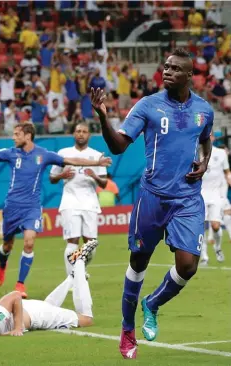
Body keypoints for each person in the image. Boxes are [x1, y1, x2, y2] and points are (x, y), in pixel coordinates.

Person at [90, 48, 214, 359]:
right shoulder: (147, 106)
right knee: (138, 262)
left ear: (189, 76)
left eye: (175, 68)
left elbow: (205, 137)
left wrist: (206, 161)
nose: (167, 71)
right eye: (166, 67)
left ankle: (152, 303)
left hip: (187, 199)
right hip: (152, 198)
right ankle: (126, 328)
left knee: (188, 266)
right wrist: (104, 119)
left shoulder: (204, 109)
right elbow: (118, 146)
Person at [0, 123, 111, 298]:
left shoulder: (43, 154)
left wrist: (96, 162)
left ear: (27, 135)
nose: (13, 137)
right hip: (12, 206)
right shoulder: (11, 153)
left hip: (32, 207)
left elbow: (73, 161)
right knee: (7, 245)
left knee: (29, 243)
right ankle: (2, 265)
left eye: (16, 134)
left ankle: (20, 284)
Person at [0, 240, 99, 337]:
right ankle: (73, 276)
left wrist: (17, 329)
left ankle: (79, 261)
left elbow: (15, 296)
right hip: (28, 311)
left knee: (86, 320)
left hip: (36, 316)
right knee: (48, 306)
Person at [50, 122, 108, 276]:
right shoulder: (63, 153)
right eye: (78, 131)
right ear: (74, 134)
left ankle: (80, 267)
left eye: (84, 131)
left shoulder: (96, 156)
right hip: (70, 201)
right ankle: (72, 278)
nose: (81, 134)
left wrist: (94, 175)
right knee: (72, 241)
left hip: (89, 202)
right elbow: (51, 178)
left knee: (91, 244)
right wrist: (62, 175)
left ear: (89, 135)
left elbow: (104, 183)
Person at [200, 133, 231, 264]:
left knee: (216, 226)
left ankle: (217, 248)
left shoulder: (221, 153)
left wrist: (229, 180)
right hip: (200, 194)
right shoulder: (195, 153)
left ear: (212, 138)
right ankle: (204, 257)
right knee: (200, 227)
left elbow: (227, 171)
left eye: (210, 136)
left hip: (216, 194)